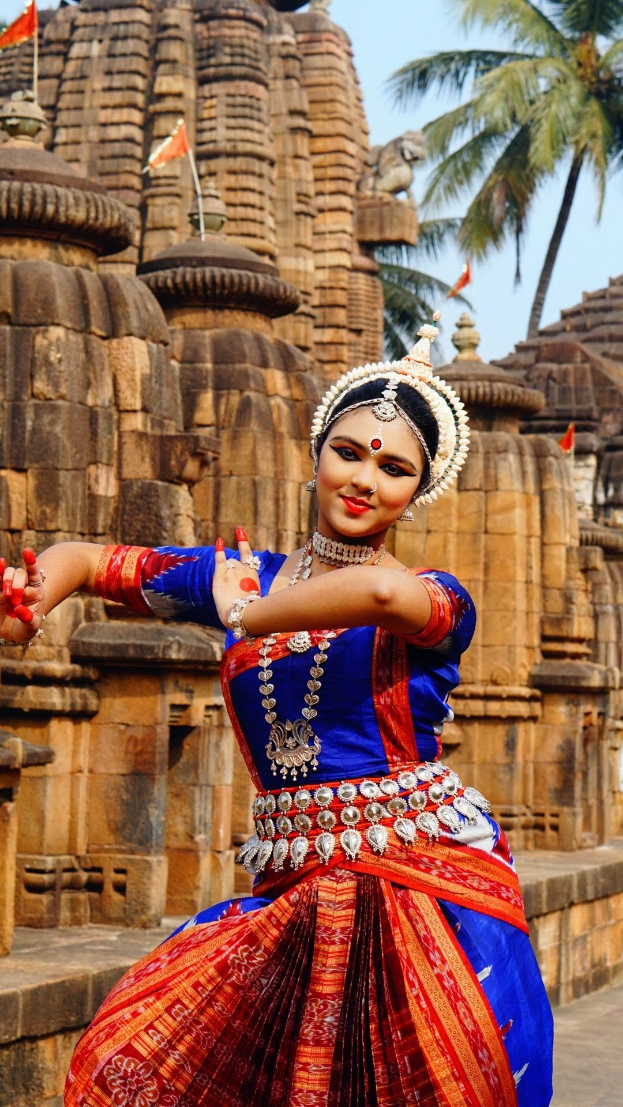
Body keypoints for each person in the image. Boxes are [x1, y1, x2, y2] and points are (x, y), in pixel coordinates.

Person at [0, 317, 553, 1107]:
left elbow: (378, 592)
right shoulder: (246, 575)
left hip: (415, 894)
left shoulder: (434, 599)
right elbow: (99, 562)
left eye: (394, 467)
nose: (364, 479)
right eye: (349, 452)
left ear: (416, 490)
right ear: (318, 449)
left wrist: (254, 617)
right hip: (290, 893)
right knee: (125, 1057)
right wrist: (32, 595)